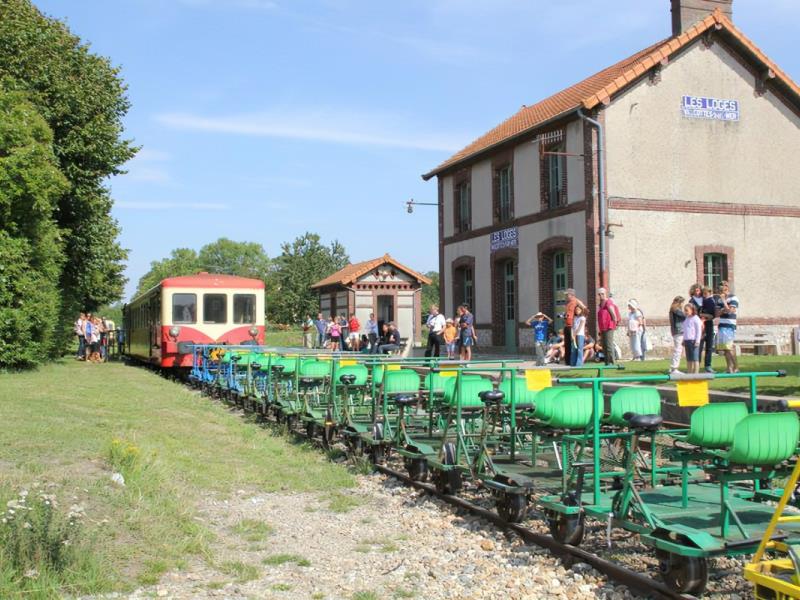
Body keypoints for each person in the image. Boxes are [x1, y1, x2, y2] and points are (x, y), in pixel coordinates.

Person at [716, 281, 739, 373]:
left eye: (723, 289)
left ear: (727, 288)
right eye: (720, 289)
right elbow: (717, 313)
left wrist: (724, 302)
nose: (722, 291)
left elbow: (731, 310)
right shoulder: (719, 300)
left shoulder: (733, 297)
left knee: (730, 347)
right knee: (725, 348)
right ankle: (729, 368)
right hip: (722, 325)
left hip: (730, 325)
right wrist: (724, 309)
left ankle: (736, 367)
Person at [596, 288, 620, 365]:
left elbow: (613, 314)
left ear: (605, 294)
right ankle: (606, 362)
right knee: (604, 345)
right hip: (602, 327)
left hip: (609, 326)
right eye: (599, 294)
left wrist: (615, 324)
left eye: (602, 294)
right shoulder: (600, 304)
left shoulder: (608, 302)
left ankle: (612, 362)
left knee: (609, 345)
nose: (601, 295)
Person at [563, 289, 586, 366]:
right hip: (567, 325)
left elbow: (584, 308)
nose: (566, 296)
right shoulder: (568, 303)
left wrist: (582, 318)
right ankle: (568, 362)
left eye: (567, 294)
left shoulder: (576, 301)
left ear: (571, 295)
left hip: (573, 326)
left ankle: (577, 362)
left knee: (574, 345)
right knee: (567, 344)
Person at [699, 286, 717, 373]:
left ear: (710, 293)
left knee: (709, 347)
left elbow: (712, 315)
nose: (704, 295)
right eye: (703, 293)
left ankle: (708, 366)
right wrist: (703, 315)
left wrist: (703, 315)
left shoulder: (711, 301)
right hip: (701, 325)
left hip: (709, 325)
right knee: (699, 346)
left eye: (706, 293)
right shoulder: (701, 301)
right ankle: (697, 365)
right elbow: (698, 313)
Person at [682, 303, 703, 374]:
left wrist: (697, 341)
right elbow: (685, 330)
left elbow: (699, 331)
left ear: (692, 310)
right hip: (687, 341)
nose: (685, 312)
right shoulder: (686, 319)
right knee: (689, 359)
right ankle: (689, 373)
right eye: (684, 310)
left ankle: (696, 373)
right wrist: (684, 339)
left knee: (695, 359)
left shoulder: (696, 319)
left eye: (687, 310)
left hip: (693, 341)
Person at [669, 295, 686, 374]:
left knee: (677, 349)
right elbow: (684, 316)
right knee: (678, 350)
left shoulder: (673, 309)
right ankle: (674, 368)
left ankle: (672, 367)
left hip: (676, 331)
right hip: (679, 331)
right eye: (682, 303)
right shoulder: (676, 310)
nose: (683, 304)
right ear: (679, 303)